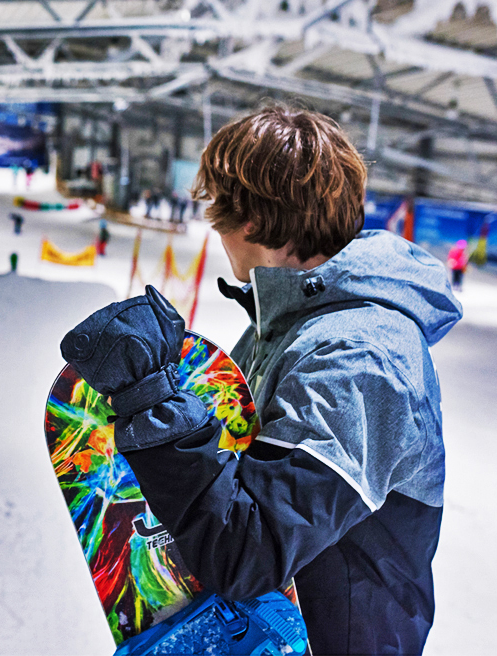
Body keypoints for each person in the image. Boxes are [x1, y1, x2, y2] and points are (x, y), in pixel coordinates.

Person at [60, 104, 459, 655]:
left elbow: (250, 553)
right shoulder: (293, 329)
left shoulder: (359, 358)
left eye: (217, 210)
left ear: (246, 218)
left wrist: (153, 403)